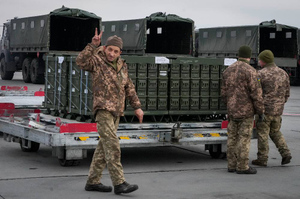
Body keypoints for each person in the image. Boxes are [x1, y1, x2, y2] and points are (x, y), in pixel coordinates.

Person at [76, 28, 144, 195]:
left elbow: (129, 86)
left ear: (120, 52)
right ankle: (119, 183)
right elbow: (80, 61)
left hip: (116, 112)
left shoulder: (122, 65)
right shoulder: (97, 62)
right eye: (110, 50)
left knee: (103, 148)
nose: (112, 54)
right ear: (105, 48)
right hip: (103, 110)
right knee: (113, 145)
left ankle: (92, 181)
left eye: (115, 51)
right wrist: (93, 45)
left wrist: (137, 106)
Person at [221, 45, 264, 174]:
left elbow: (223, 93)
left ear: (238, 55)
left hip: (232, 111)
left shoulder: (228, 70)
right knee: (244, 139)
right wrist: (260, 111)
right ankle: (242, 166)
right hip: (246, 112)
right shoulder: (251, 71)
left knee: (232, 138)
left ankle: (231, 165)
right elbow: (256, 94)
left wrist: (229, 105)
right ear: (249, 56)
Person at [252, 50, 292, 167]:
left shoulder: (260, 74)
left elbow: (257, 93)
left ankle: (262, 158)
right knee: (276, 132)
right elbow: (287, 93)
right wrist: (279, 104)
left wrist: (258, 108)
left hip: (265, 110)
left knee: (263, 134)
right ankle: (285, 152)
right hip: (278, 110)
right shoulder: (283, 73)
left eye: (260, 59)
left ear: (264, 60)